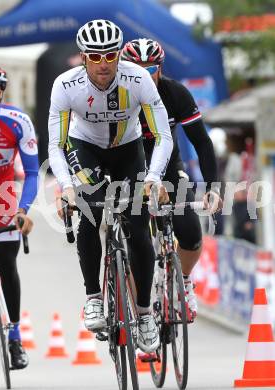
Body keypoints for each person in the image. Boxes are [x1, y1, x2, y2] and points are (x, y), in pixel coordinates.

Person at [48, 19, 173, 353]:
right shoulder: (65, 85)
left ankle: (145, 314)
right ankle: (93, 296)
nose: (103, 64)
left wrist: (153, 177)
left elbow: (162, 136)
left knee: (138, 224)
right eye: (95, 56)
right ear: (83, 56)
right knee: (89, 213)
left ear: (119, 55)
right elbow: (56, 145)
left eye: (109, 56)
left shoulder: (139, 78)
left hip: (128, 152)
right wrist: (66, 185)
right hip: (85, 149)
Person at [121, 38, 222, 319]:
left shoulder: (175, 93)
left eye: (150, 67)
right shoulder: (114, 96)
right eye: (135, 68)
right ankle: (139, 316)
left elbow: (202, 142)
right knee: (136, 244)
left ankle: (184, 281)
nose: (143, 74)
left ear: (160, 69)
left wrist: (212, 188)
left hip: (168, 169)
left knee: (190, 233)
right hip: (130, 171)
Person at [0, 63, 39, 368]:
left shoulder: (17, 121)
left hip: (4, 194)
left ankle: (15, 338)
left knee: (7, 262)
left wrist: (23, 211)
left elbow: (32, 172)